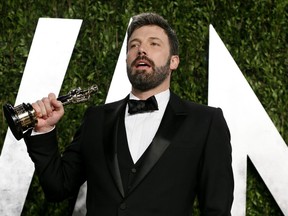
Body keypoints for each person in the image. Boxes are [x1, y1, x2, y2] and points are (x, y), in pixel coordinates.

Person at [24, 12, 234, 215]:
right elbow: (58, 187)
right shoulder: (96, 119)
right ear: (126, 60)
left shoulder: (205, 122)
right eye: (134, 45)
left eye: (154, 44)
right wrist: (44, 131)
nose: (141, 50)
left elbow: (217, 209)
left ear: (174, 61)